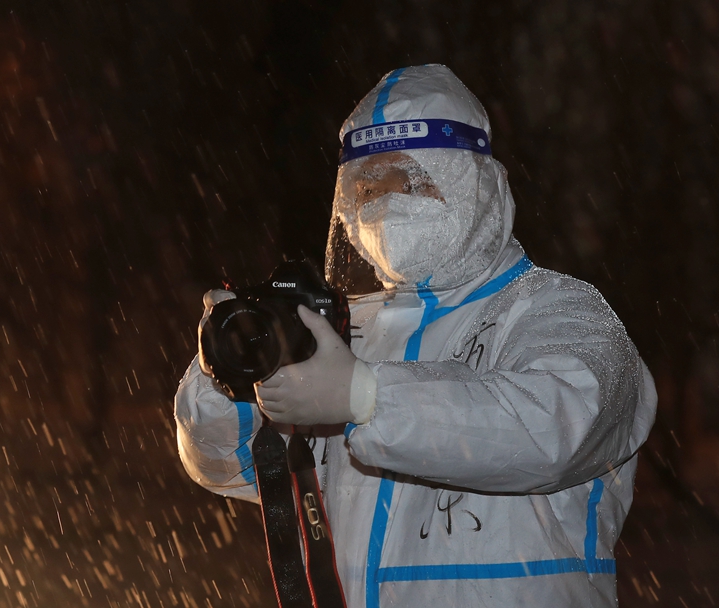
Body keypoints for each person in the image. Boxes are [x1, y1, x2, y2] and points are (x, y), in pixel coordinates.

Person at [175, 64, 657, 608]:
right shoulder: (341, 331)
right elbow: (234, 466)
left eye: (414, 179)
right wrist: (229, 373)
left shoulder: (557, 311)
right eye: (370, 185)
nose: (388, 201)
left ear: (474, 183)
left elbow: (555, 430)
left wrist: (368, 397)